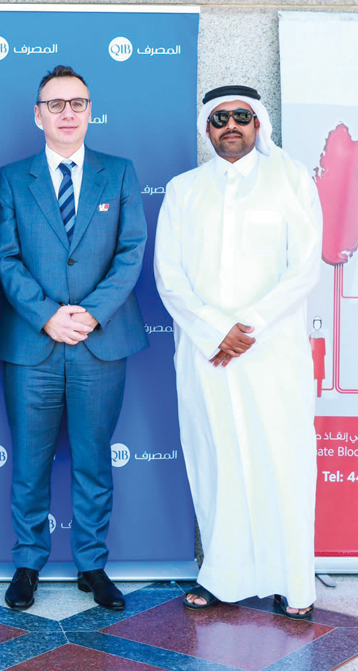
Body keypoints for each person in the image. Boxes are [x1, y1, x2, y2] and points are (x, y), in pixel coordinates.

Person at [154, 85, 322, 619]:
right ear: (207, 127)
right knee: (217, 460)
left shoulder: (291, 179)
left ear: (258, 123)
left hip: (271, 353)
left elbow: (305, 268)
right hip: (206, 353)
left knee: (282, 460)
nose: (231, 125)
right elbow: (169, 275)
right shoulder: (184, 189)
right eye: (220, 117)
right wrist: (215, 330)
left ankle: (292, 582)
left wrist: (248, 328)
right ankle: (222, 576)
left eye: (242, 117)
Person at [0, 65, 148, 612]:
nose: (67, 113)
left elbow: (131, 252)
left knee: (93, 461)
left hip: (99, 343)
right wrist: (47, 317)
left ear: (90, 111)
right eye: (55, 104)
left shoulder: (119, 173)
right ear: (38, 115)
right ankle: (28, 563)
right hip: (33, 344)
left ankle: (92, 565)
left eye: (77, 103)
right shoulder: (13, 178)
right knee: (29, 463)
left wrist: (91, 315)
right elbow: (6, 257)